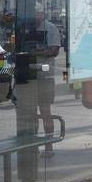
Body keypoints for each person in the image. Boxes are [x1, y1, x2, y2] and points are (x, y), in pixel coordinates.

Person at [36, 12, 60, 158]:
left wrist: (35, 51)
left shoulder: (51, 28)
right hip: (31, 77)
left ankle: (49, 145)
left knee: (45, 111)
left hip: (45, 76)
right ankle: (33, 145)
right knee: (31, 114)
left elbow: (54, 50)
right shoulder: (27, 28)